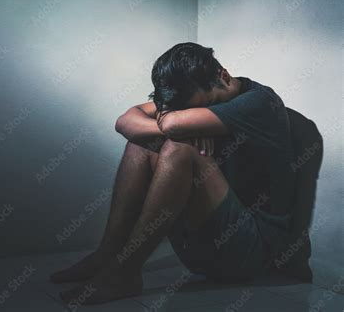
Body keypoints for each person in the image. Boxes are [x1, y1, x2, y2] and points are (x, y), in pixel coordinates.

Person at [50, 42, 296, 305]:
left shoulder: (260, 102)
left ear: (222, 76)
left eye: (209, 105)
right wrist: (180, 125)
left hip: (251, 251)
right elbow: (124, 122)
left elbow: (172, 123)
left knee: (179, 148)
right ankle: (107, 256)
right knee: (141, 144)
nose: (201, 114)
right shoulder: (191, 94)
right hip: (203, 246)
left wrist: (178, 123)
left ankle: (125, 274)